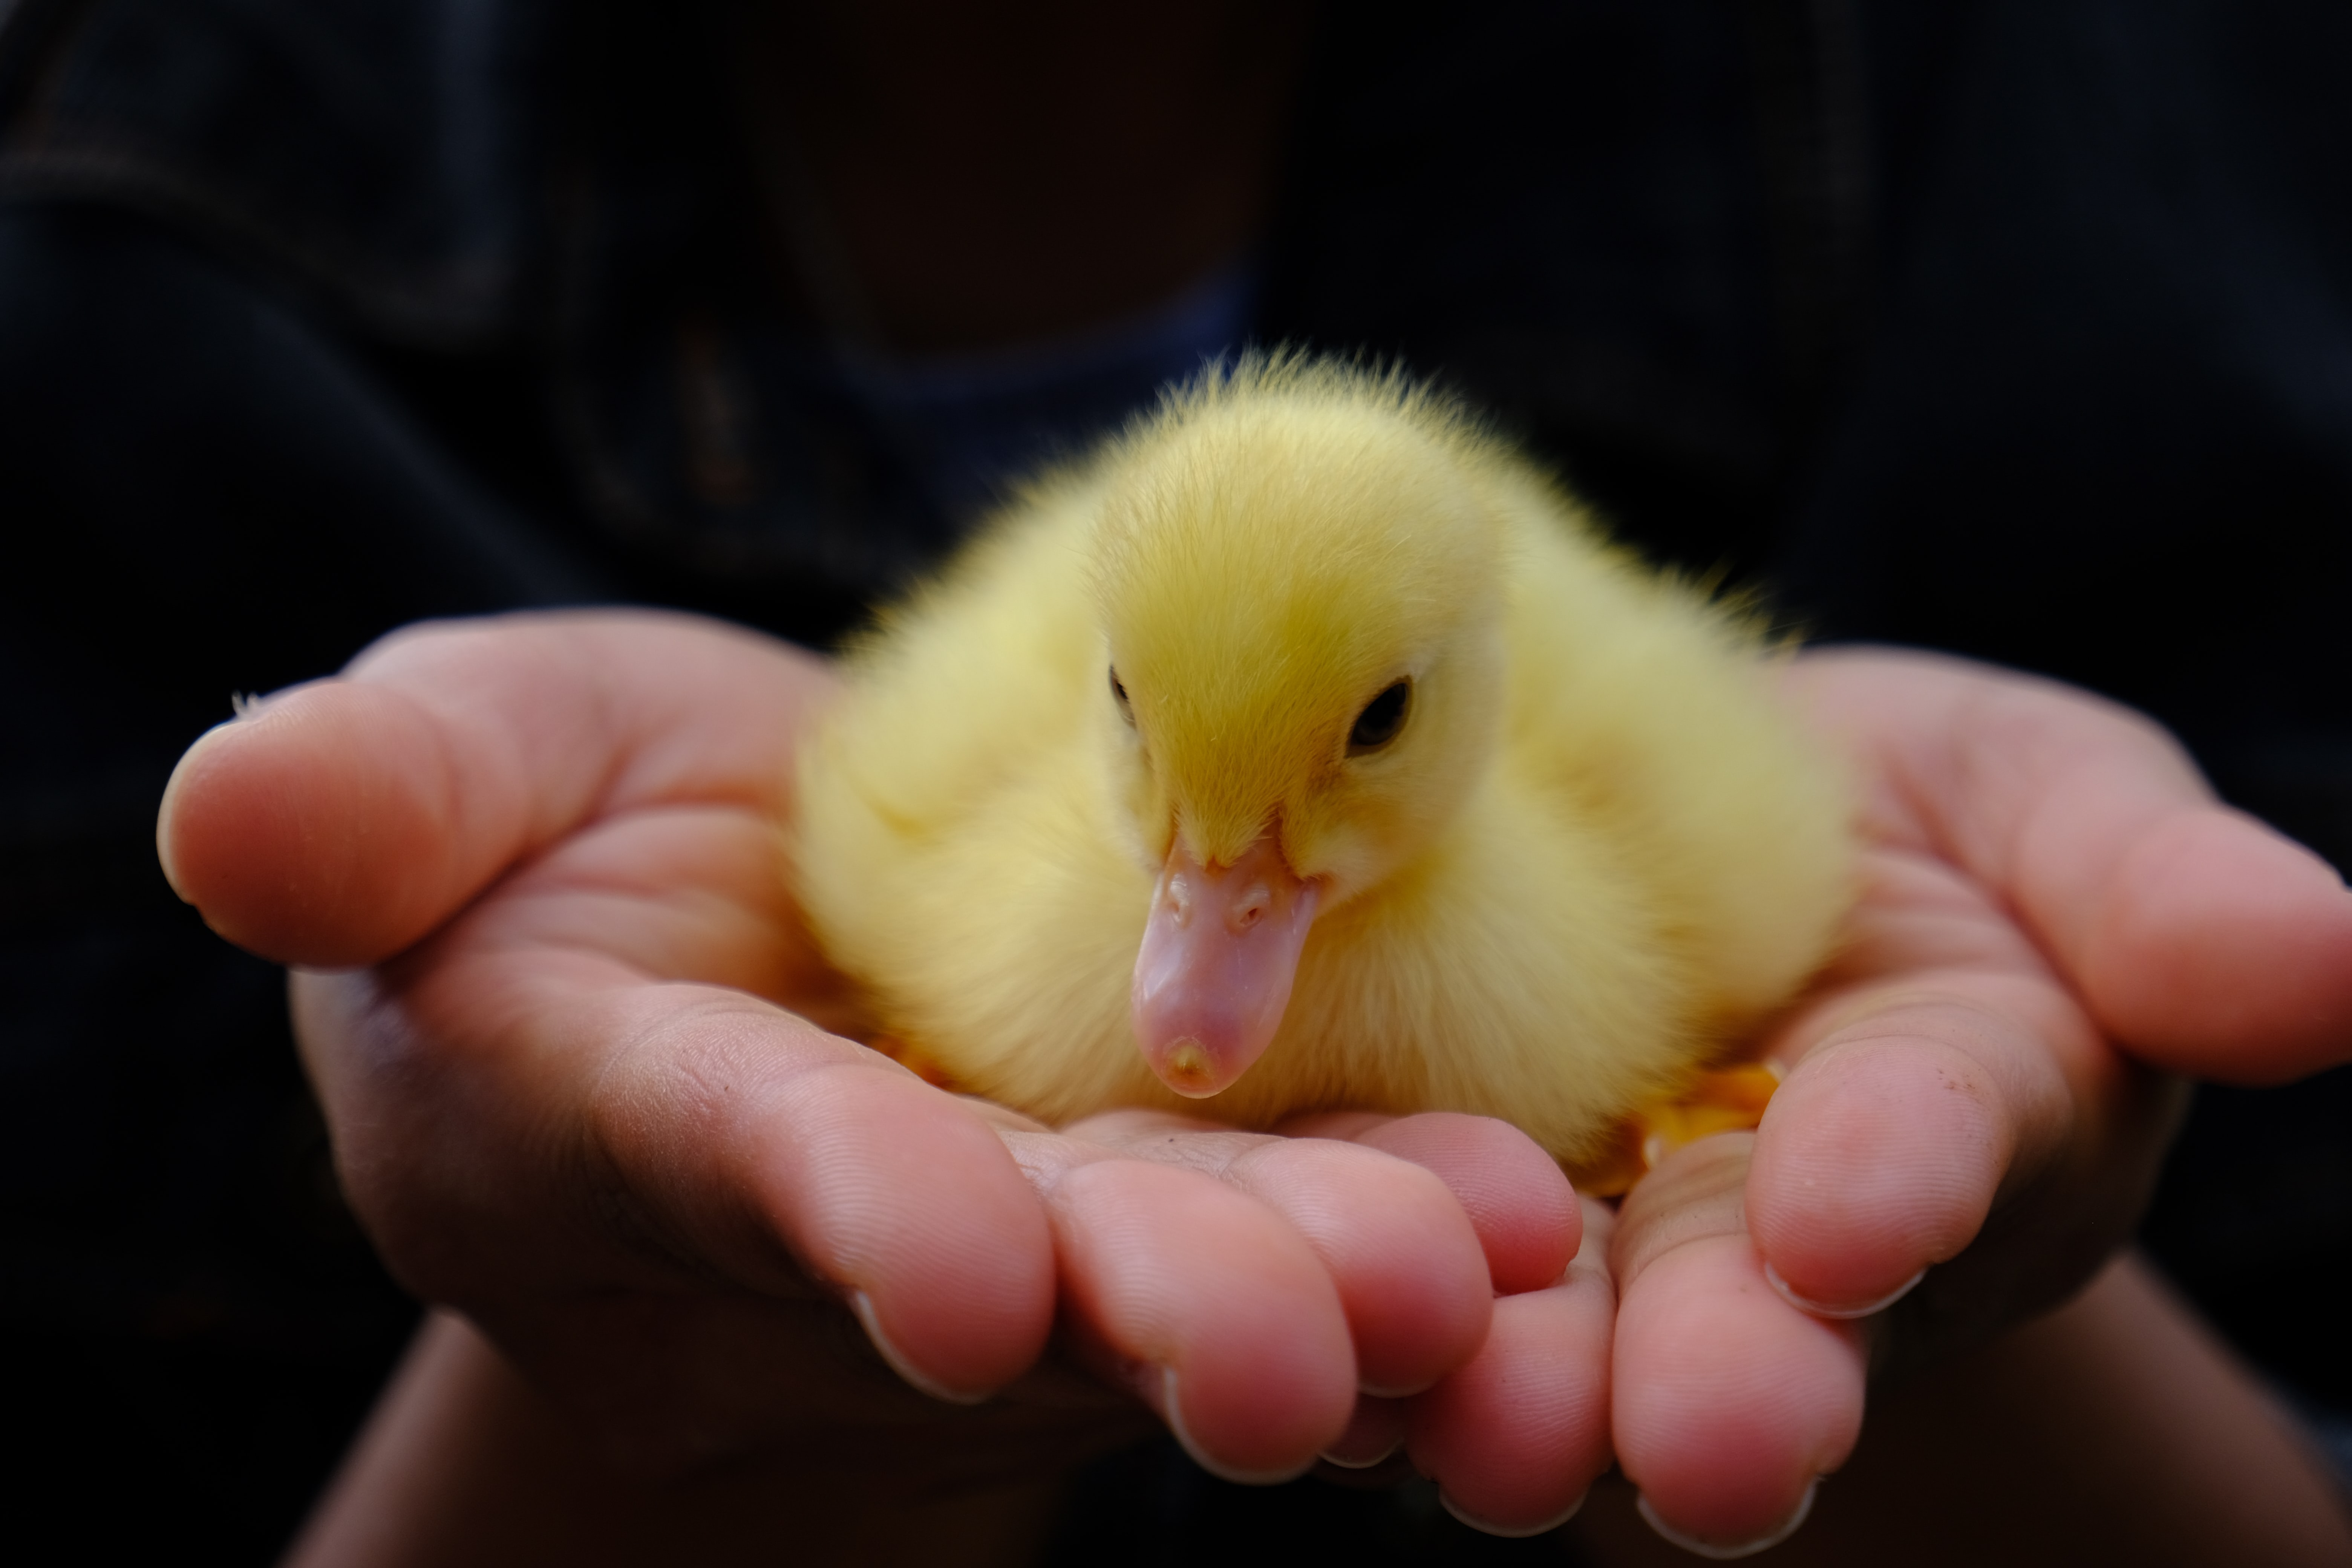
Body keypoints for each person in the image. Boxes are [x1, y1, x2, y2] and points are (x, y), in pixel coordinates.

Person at [4, 0, 2349, 1559]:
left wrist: (1965, 1323)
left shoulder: (2132, 126)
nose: (1207, 935)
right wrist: (618, 1412)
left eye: (1365, 752)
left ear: (1473, 685)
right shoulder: (97, 232)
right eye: (1157, 755)